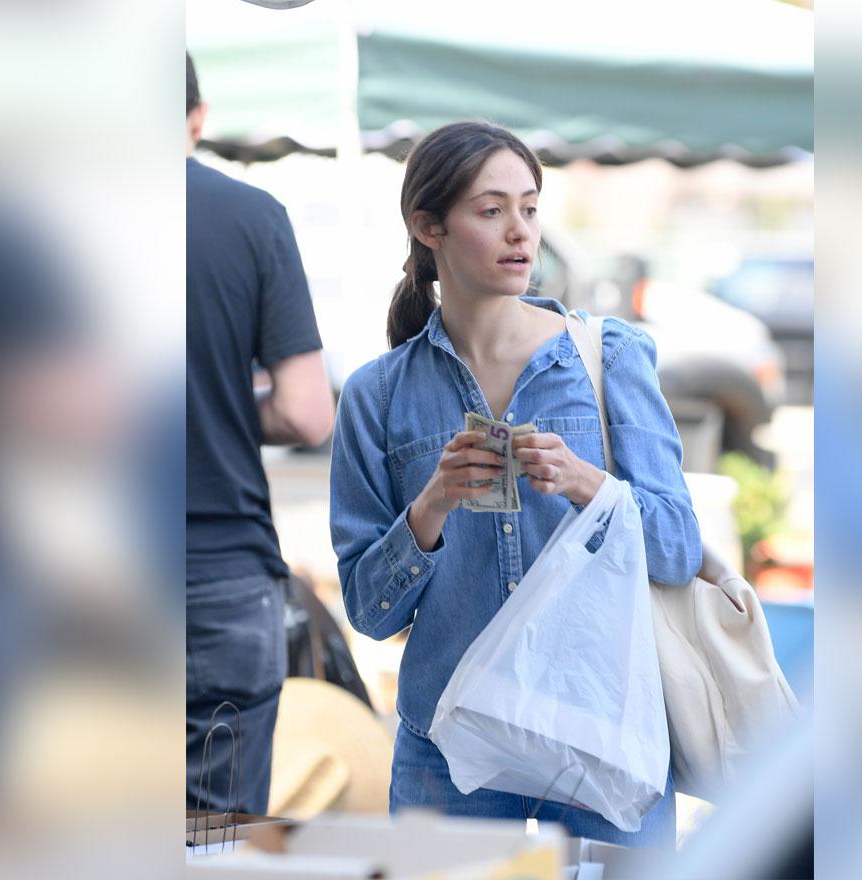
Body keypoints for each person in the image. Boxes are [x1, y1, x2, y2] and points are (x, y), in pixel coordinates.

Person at [328, 121, 701, 848]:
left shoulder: (607, 358)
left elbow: (679, 548)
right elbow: (368, 614)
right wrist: (431, 505)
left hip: (602, 737)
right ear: (427, 225)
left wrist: (589, 484)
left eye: (529, 209)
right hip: (448, 752)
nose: (519, 233)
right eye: (491, 210)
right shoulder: (378, 395)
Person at [185, 51, 333, 815]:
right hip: (222, 581)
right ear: (197, 118)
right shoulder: (251, 217)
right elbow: (309, 412)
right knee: (215, 843)